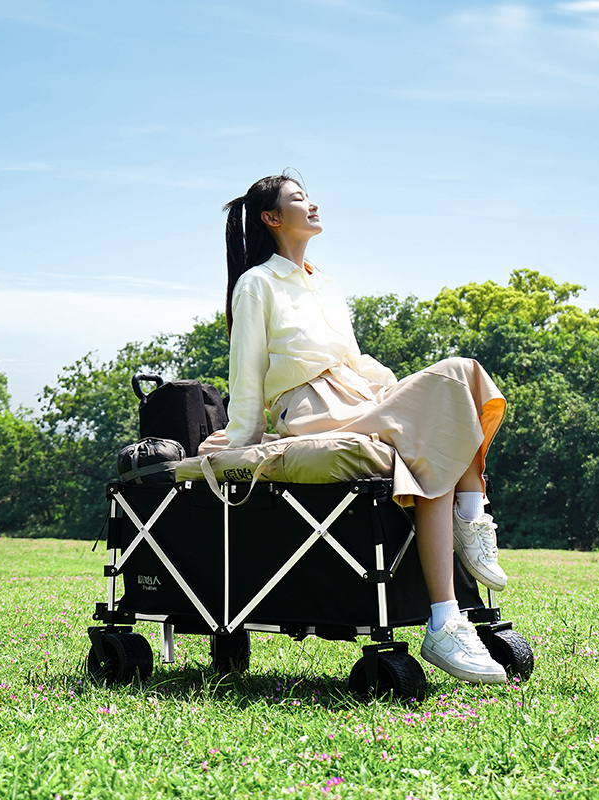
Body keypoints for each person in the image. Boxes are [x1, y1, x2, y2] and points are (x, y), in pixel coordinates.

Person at [222, 171, 509, 684]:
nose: (312, 205)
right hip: (309, 409)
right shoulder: (257, 284)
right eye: (298, 199)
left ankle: (469, 520)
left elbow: (355, 363)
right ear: (271, 218)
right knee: (442, 401)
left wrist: (400, 394)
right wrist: (242, 443)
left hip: (359, 396)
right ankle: (446, 614)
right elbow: (246, 373)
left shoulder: (327, 285)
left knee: (461, 376)